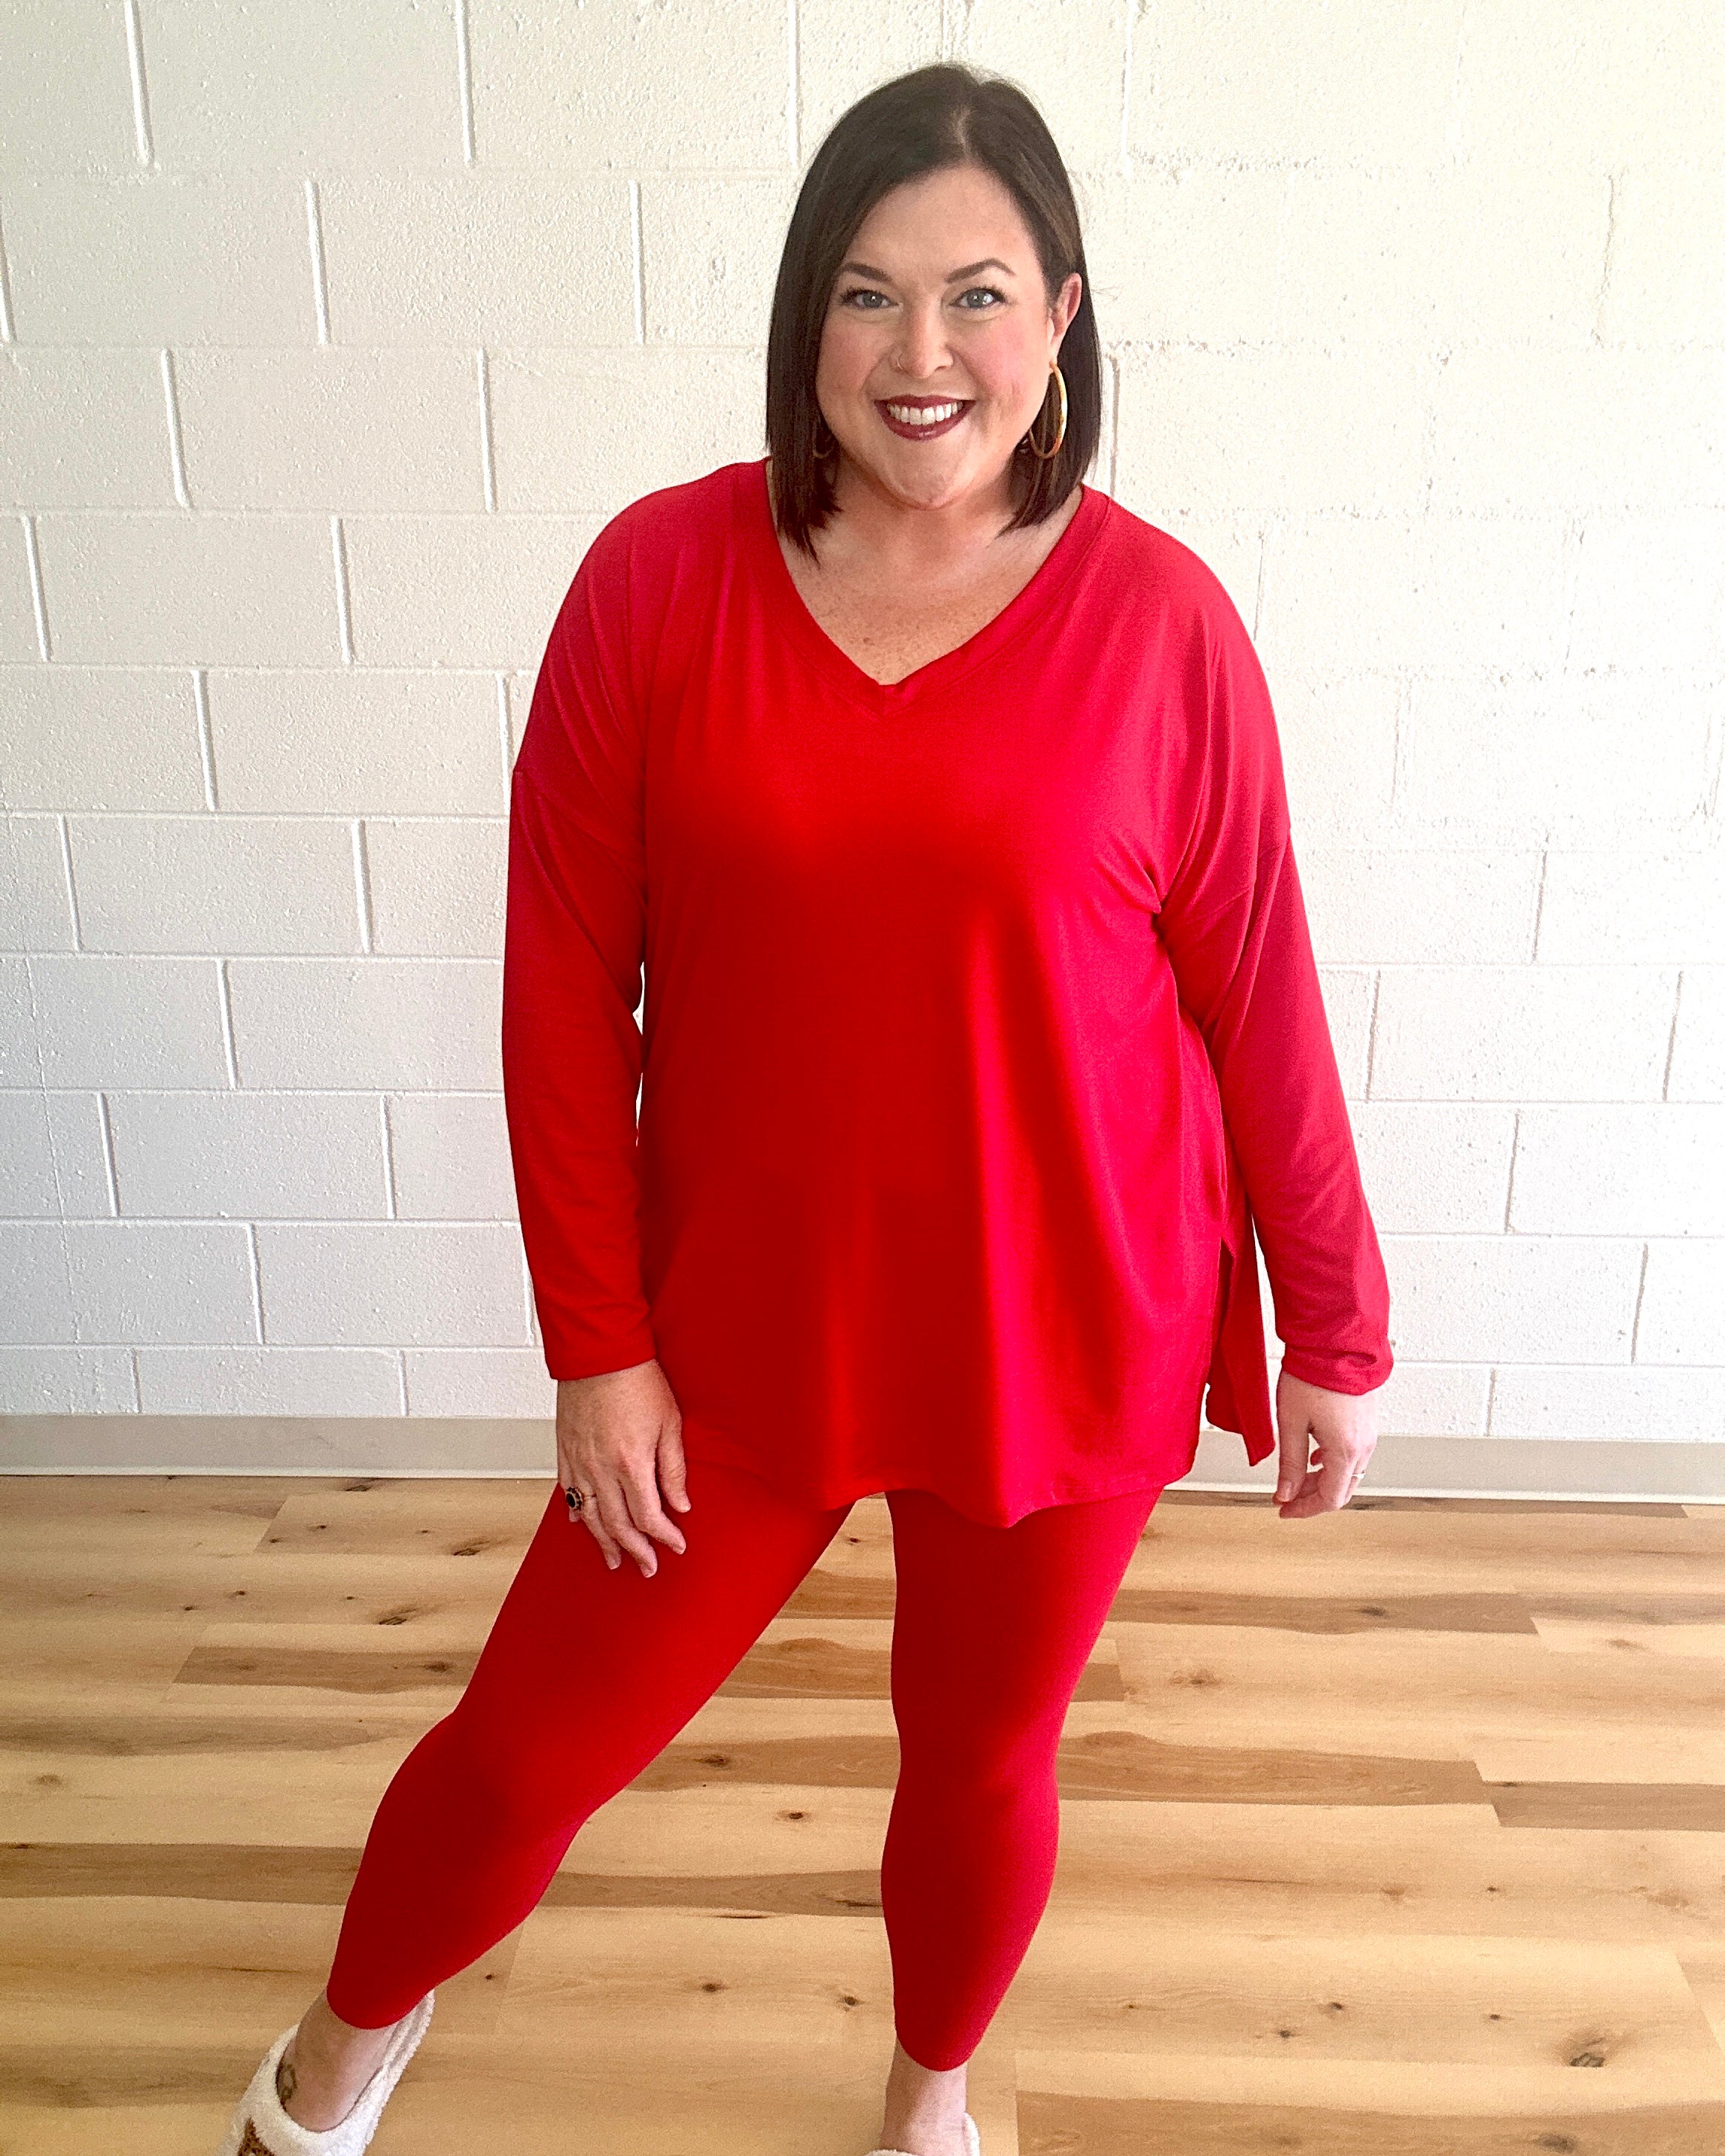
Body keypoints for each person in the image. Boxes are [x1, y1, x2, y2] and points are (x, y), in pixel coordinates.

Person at [217, 60, 1391, 2156]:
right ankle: (332, 2059)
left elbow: (1258, 993)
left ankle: (930, 2104)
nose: (921, 353)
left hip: (1061, 1313)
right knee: (525, 1750)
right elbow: (560, 1001)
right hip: (740, 1326)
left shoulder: (1165, 629)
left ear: (1061, 316)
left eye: (976, 295)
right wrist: (597, 1348)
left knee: (978, 1762)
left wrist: (1336, 1323)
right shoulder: (656, 584)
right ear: (805, 318)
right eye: (867, 294)